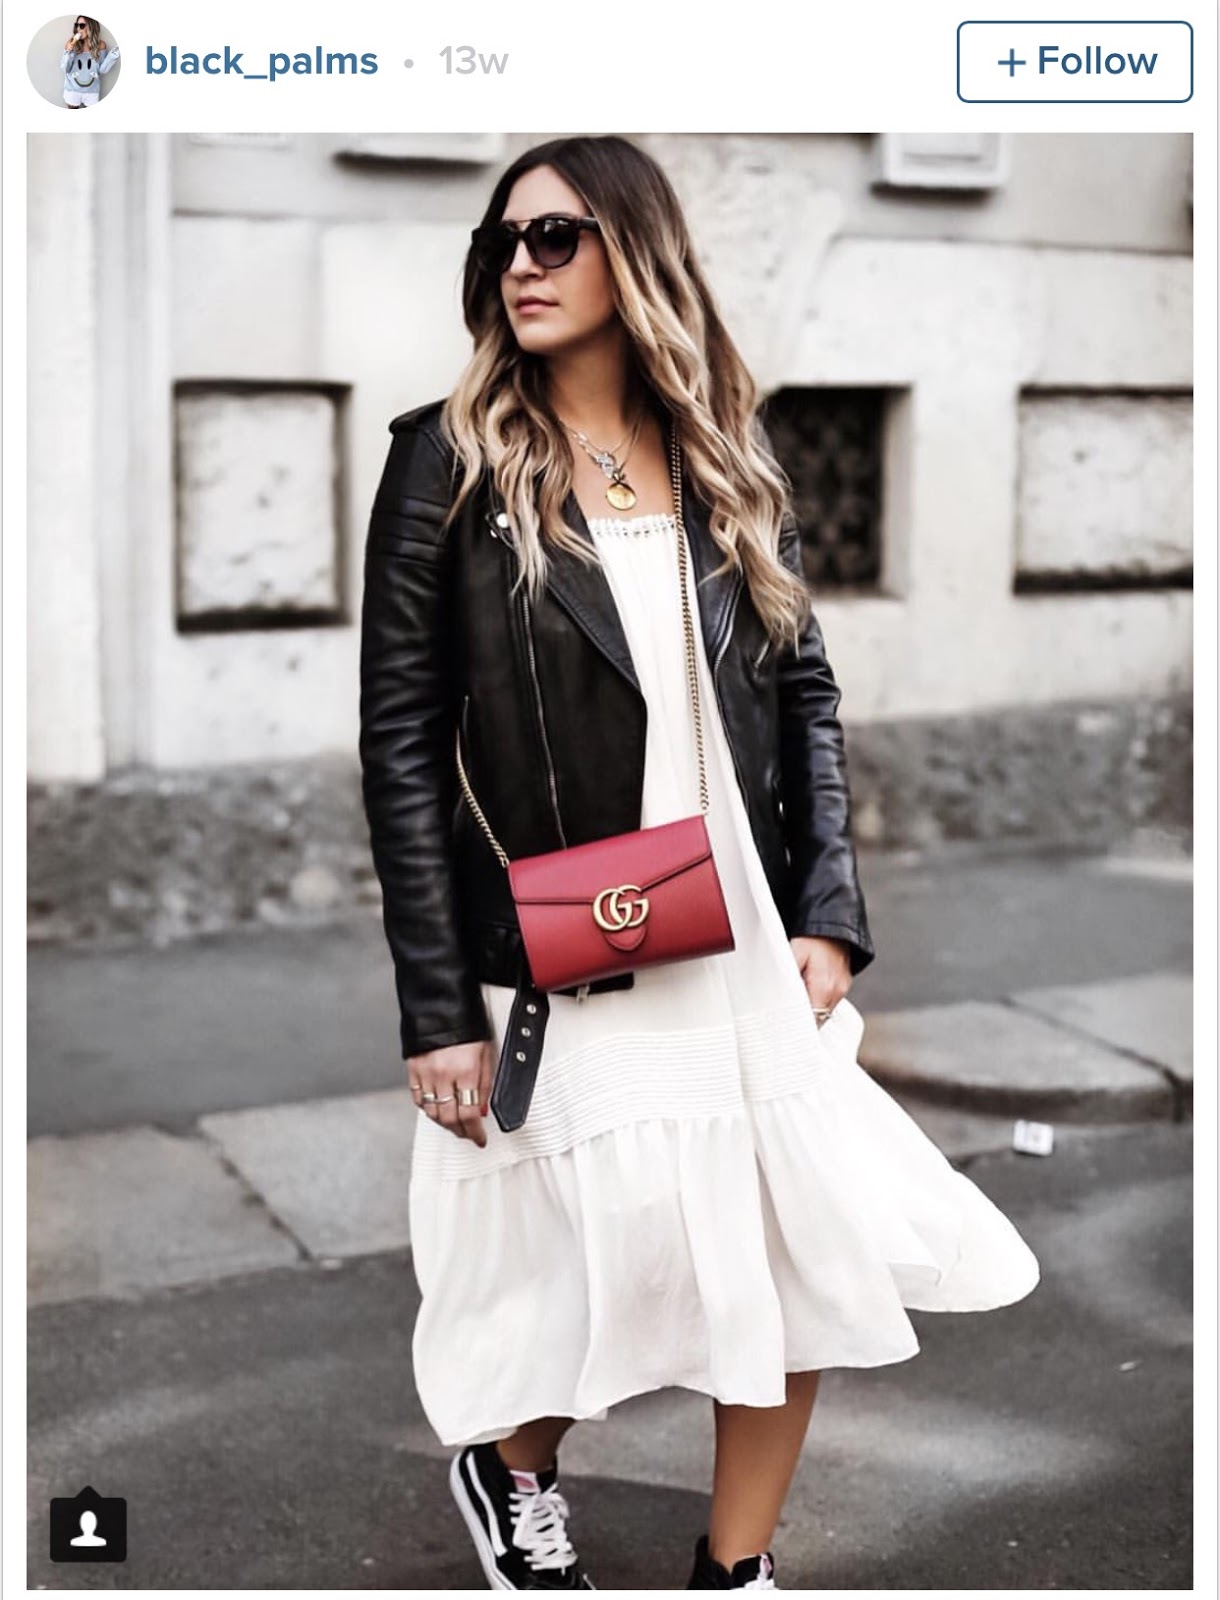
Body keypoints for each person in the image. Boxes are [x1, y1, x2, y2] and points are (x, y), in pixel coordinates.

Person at [359, 135, 1040, 1592]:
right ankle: (512, 1465)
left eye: (555, 237)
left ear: (636, 252)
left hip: (741, 916)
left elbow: (805, 696)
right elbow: (401, 747)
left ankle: (735, 1567)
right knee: (589, 1258)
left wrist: (829, 913)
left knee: (792, 1241)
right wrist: (434, 1008)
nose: (521, 265)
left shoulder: (727, 452)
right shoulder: (445, 463)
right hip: (577, 923)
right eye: (502, 243)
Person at [60, 16, 119, 109]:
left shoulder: (101, 45)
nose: (78, 29)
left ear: (91, 27)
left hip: (92, 92)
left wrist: (113, 56)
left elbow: (102, 70)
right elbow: (65, 69)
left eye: (82, 25)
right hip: (72, 91)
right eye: (76, 25)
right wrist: (69, 53)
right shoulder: (71, 43)